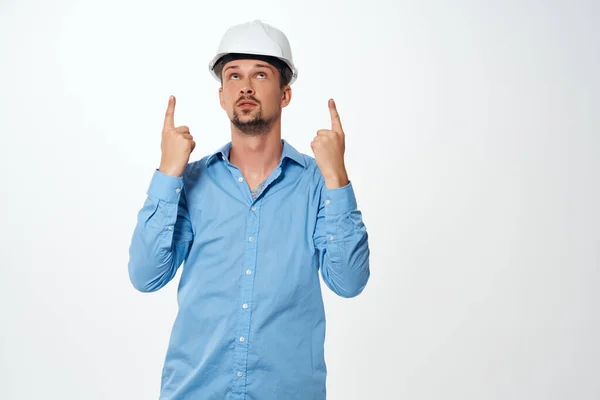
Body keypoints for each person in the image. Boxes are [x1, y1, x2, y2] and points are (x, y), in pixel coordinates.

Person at [128, 19, 370, 400]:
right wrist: (167, 171)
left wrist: (337, 175)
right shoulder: (189, 182)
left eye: (260, 74)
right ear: (222, 96)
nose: (245, 86)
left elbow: (350, 282)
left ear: (285, 93)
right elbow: (145, 276)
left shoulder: (317, 184)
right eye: (233, 76)